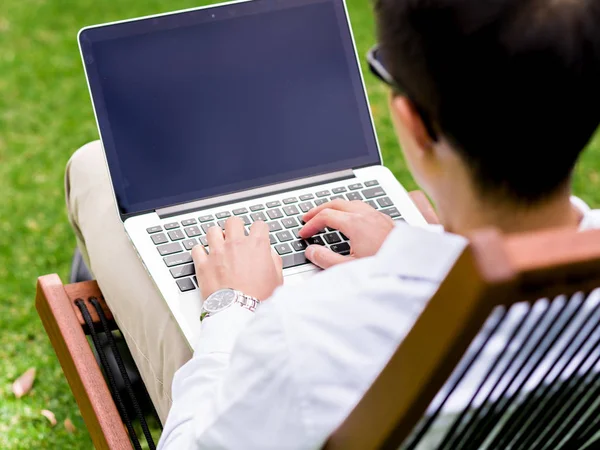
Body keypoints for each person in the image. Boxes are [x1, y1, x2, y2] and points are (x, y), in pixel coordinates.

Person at [65, 0, 600, 447]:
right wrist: (414, 247)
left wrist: (234, 307)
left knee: (94, 168)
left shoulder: (305, 333)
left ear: (412, 124)